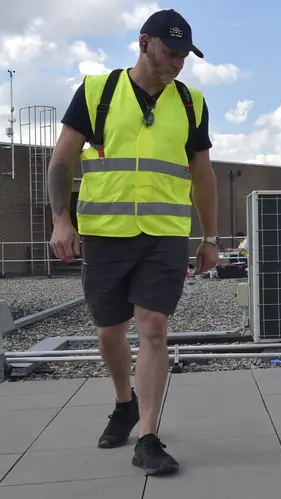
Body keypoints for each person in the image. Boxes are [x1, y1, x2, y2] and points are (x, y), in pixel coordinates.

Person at [47, 8, 220, 476]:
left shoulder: (191, 103)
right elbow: (62, 158)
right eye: (171, 51)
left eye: (185, 55)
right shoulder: (97, 92)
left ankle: (147, 436)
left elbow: (202, 173)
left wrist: (209, 236)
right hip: (105, 235)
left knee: (154, 328)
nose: (178, 62)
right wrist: (62, 221)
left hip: (164, 235)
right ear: (144, 44)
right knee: (109, 332)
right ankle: (124, 402)